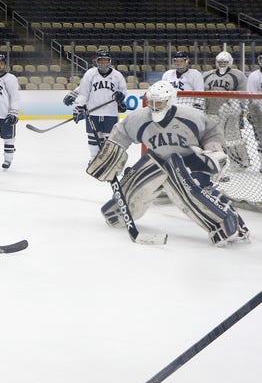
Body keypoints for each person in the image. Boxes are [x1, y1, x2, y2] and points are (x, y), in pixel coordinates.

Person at [85, 80, 248, 246]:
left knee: (193, 191)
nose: (154, 107)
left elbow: (211, 131)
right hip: (159, 160)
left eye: (159, 103)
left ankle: (229, 222)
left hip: (192, 162)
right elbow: (122, 132)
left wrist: (214, 149)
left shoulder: (190, 116)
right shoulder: (140, 118)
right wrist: (112, 154)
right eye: (151, 102)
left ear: (169, 101)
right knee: (129, 190)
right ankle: (121, 209)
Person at [63, 49, 129, 162]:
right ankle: (94, 158)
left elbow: (123, 92)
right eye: (101, 60)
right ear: (96, 61)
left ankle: (108, 159)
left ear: (110, 61)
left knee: (109, 137)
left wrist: (120, 99)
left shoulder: (117, 76)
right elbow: (84, 92)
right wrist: (79, 106)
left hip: (110, 112)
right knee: (93, 136)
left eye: (106, 60)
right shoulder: (90, 74)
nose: (103, 63)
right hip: (93, 112)